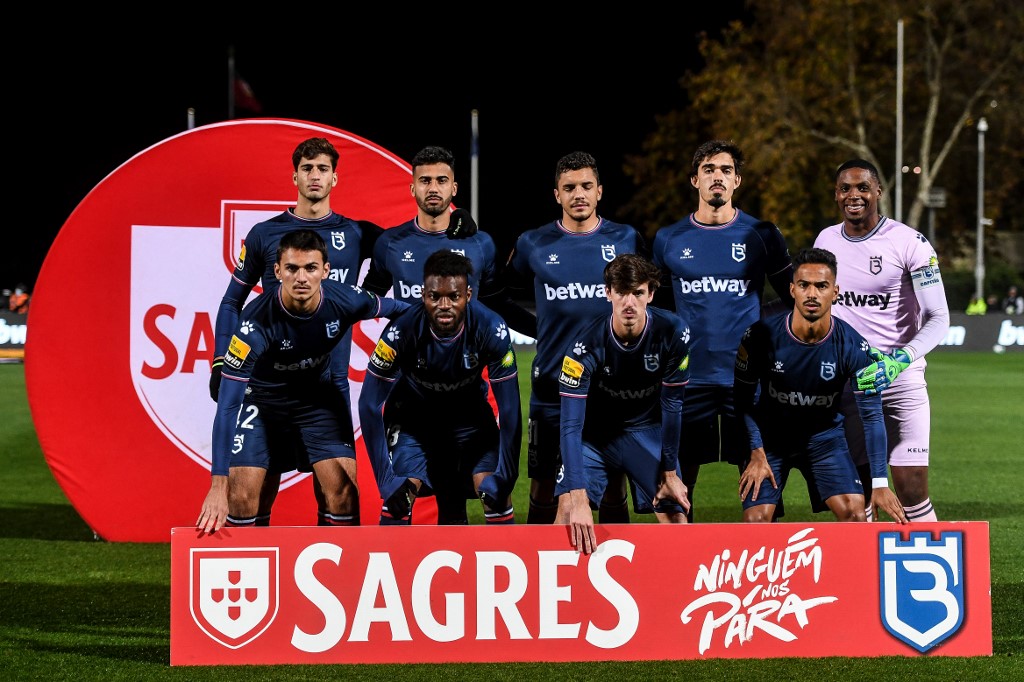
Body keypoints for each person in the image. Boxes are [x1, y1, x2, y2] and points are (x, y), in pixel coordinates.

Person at [208, 136, 478, 525]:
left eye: (322, 169)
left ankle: (334, 579)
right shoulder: (264, 234)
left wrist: (457, 221)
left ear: (335, 178)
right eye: (307, 169)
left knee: (340, 492)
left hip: (327, 385)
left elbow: (411, 244)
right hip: (267, 385)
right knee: (252, 490)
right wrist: (221, 357)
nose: (314, 176)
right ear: (294, 177)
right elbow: (232, 301)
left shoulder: (358, 234)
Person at [196, 229, 410, 533]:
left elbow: (404, 312)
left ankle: (342, 577)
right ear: (277, 271)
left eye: (310, 268)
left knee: (344, 494)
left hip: (318, 400)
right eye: (292, 268)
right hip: (263, 402)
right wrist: (218, 485)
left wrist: (405, 356)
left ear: (325, 270)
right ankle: (254, 574)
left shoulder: (345, 299)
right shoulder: (253, 326)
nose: (301, 277)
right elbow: (229, 406)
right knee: (241, 495)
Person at [485, 151, 648, 525]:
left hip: (611, 386)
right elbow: (496, 294)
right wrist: (537, 330)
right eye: (570, 187)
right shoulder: (533, 244)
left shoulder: (625, 238)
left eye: (586, 186)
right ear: (556, 194)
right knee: (543, 485)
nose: (579, 194)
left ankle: (615, 567)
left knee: (611, 483)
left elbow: (649, 296)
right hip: (551, 385)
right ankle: (536, 570)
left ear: (600, 191)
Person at [650, 139, 794, 521]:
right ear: (694, 180)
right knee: (676, 499)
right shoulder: (669, 239)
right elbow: (658, 308)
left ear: (737, 181)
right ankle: (679, 574)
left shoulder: (762, 234)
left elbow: (794, 298)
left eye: (726, 170)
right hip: (686, 382)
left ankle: (765, 574)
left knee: (762, 501)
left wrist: (764, 333)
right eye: (709, 169)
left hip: (747, 384)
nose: (718, 176)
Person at [814, 158, 950, 522]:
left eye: (862, 187)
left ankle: (929, 572)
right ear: (836, 194)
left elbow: (939, 318)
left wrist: (900, 360)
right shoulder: (826, 241)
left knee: (911, 488)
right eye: (845, 188)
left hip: (901, 382)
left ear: (878, 192)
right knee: (858, 495)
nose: (853, 195)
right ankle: (867, 578)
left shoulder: (909, 243)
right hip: (849, 386)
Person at [734, 247, 907, 524]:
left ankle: (842, 569)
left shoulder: (853, 346)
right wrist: (755, 452)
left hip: (824, 439)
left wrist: (879, 483)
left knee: (854, 514)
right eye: (804, 285)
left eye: (821, 286)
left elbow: (872, 415)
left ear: (835, 292)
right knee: (756, 522)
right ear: (792, 290)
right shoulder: (759, 336)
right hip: (770, 441)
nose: (812, 294)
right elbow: (742, 399)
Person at [358, 250, 521, 525]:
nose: (444, 305)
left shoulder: (491, 328)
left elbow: (510, 409)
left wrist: (507, 475)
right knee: (398, 501)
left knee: (494, 494)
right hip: (414, 423)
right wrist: (386, 482)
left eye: (454, 297)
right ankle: (391, 566)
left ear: (468, 295)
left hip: (470, 424)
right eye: (435, 297)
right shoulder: (402, 331)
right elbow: (368, 404)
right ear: (424, 295)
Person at [555, 254, 692, 555]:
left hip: (645, 431)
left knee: (676, 518)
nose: (629, 303)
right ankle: (569, 599)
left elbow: (672, 407)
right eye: (621, 292)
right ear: (608, 293)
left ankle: (670, 596)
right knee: (566, 516)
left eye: (638, 293)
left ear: (651, 294)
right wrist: (577, 498)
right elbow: (570, 425)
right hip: (594, 437)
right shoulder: (583, 345)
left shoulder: (673, 332)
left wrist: (669, 472)